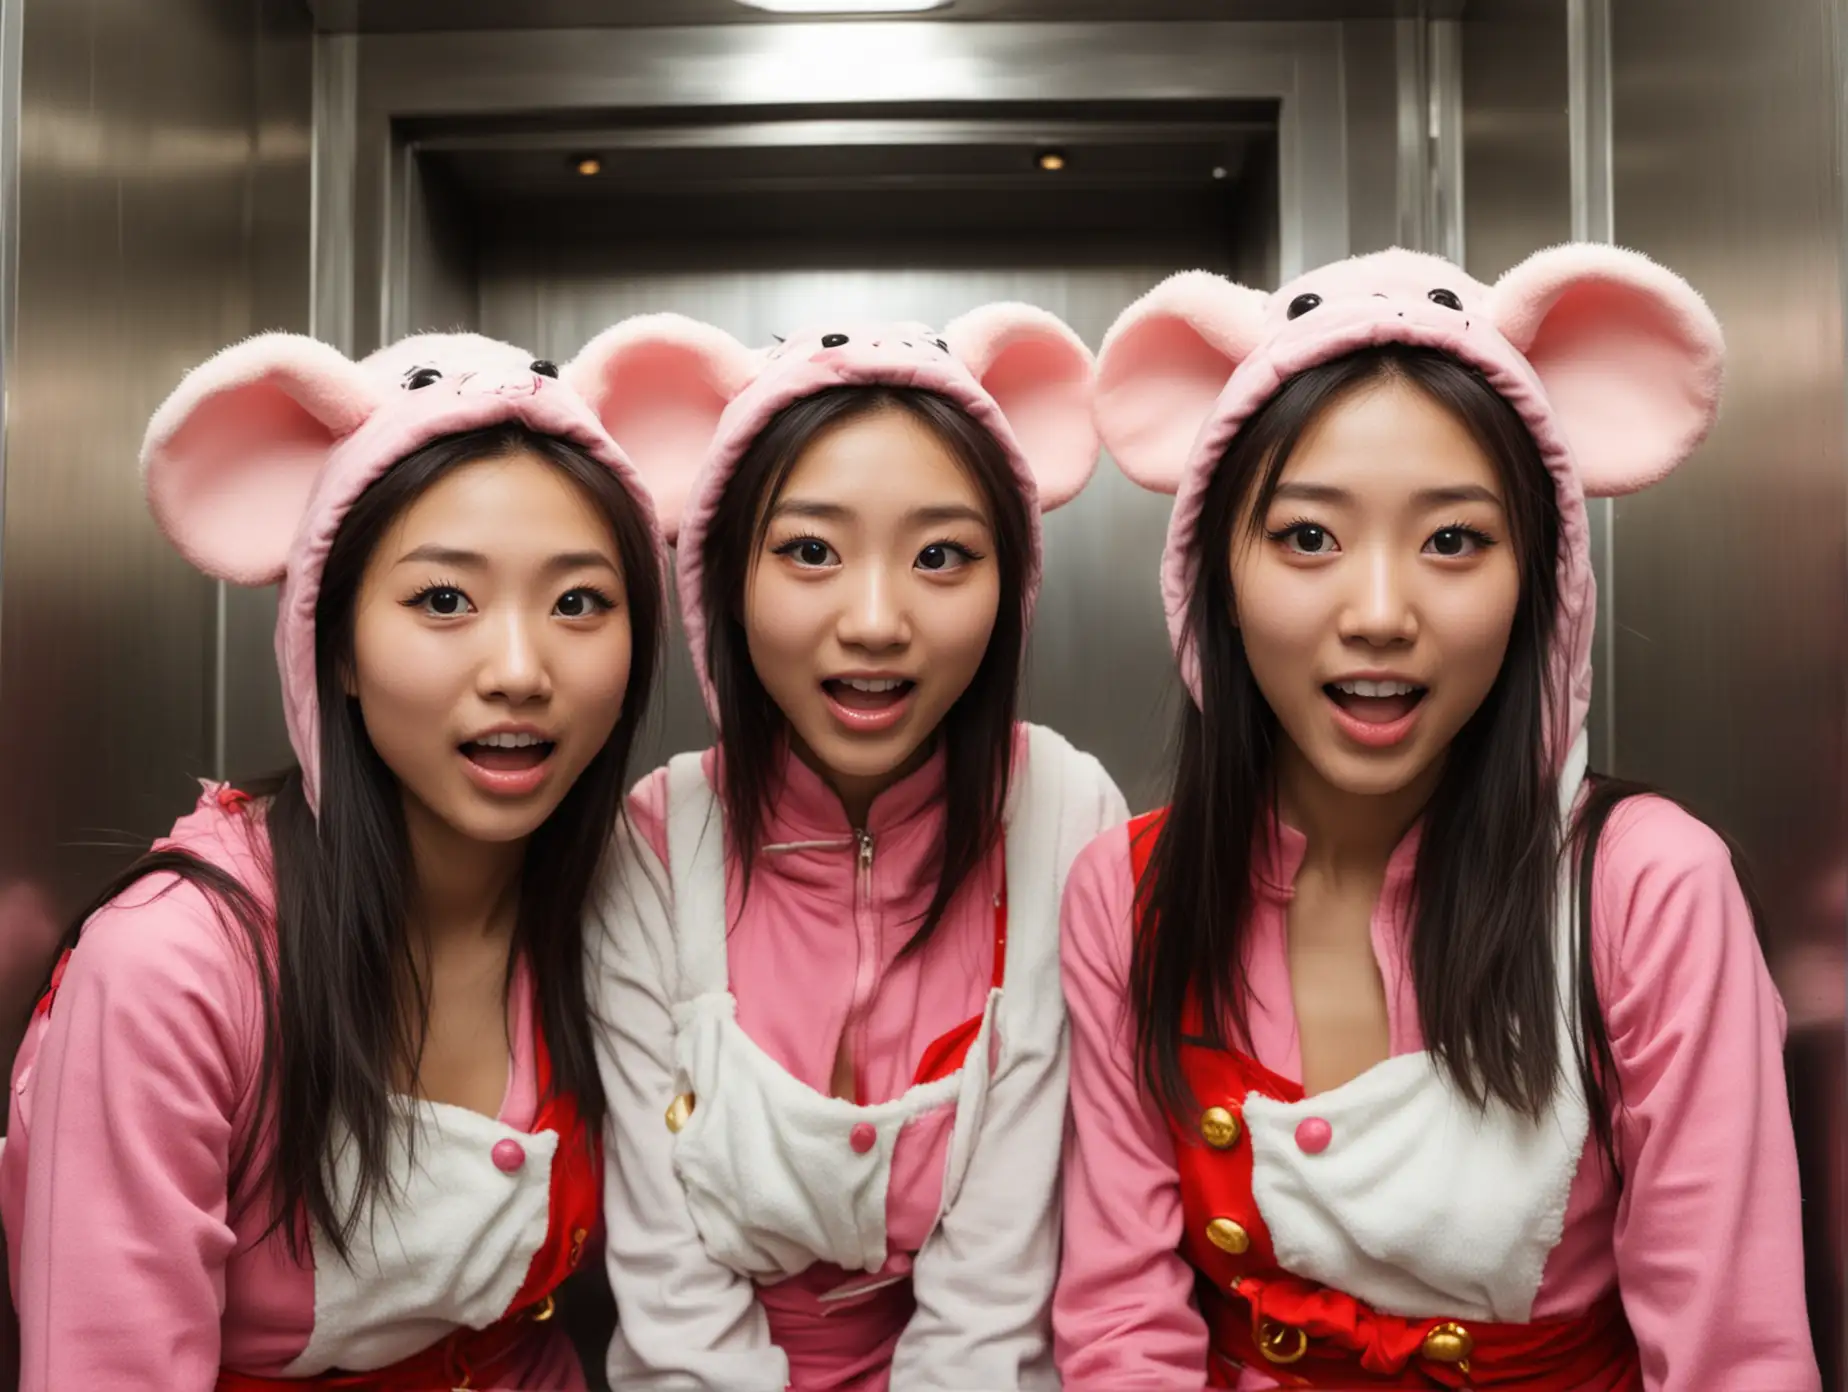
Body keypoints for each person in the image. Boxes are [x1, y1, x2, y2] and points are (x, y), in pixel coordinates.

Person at [1054, 247, 1821, 1390]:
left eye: (1454, 539)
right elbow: (1123, 1327)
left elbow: (1732, 1358)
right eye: (1308, 536)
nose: (1379, 613)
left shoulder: (1647, 888)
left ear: (1540, 581)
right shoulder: (1127, 890)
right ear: (1215, 573)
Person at [1, 333, 668, 1390]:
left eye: (579, 601)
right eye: (443, 599)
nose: (520, 669)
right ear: (336, 641)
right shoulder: (172, 970)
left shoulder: (625, 900)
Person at [570, 309, 1128, 1391]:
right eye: (811, 551)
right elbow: (671, 1295)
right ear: (725, 577)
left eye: (942, 556)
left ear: (1010, 587)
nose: (876, 621)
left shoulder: (1063, 810)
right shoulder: (649, 838)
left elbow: (998, 1287)